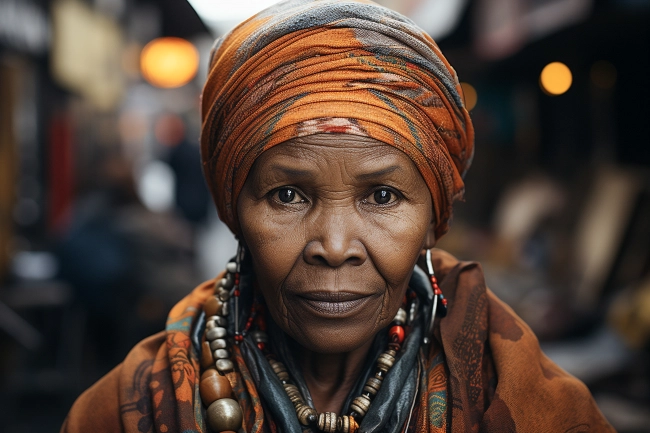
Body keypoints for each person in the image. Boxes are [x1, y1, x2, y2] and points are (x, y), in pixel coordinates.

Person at [61, 1, 614, 432]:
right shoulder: (129, 409)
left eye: (381, 197)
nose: (334, 245)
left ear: (433, 218)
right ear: (234, 210)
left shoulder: (522, 396)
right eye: (286, 196)